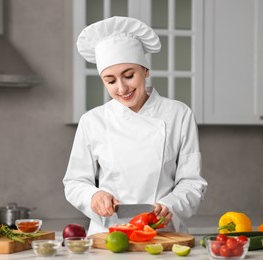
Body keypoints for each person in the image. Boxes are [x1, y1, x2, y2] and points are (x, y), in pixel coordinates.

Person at [63, 16, 207, 235]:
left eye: (129, 75)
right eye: (110, 81)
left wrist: (171, 204)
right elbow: (75, 181)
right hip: (109, 235)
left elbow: (191, 181)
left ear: (145, 71)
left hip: (162, 233)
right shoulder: (92, 121)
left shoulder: (178, 114)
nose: (122, 88)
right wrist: (94, 196)